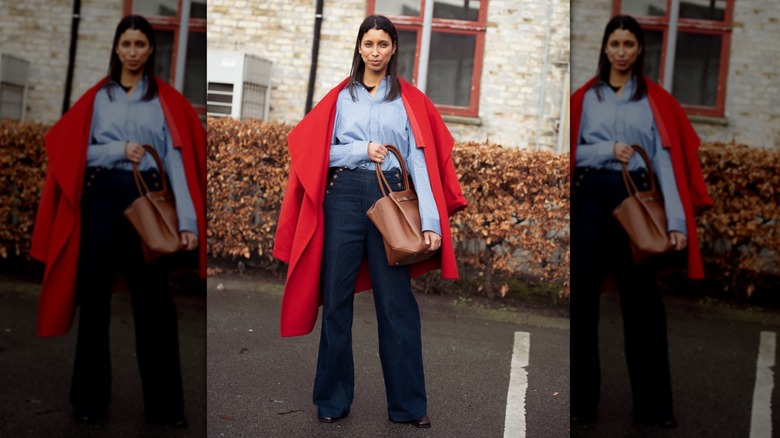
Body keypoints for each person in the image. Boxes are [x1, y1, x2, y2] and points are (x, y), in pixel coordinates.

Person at [273, 15, 467, 428]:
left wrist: (431, 222)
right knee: (336, 304)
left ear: (394, 48)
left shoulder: (409, 100)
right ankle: (331, 400)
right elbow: (315, 155)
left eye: (383, 44)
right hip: (342, 199)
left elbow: (420, 162)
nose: (375, 51)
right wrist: (361, 148)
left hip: (392, 200)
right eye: (368, 44)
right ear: (359, 48)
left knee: (396, 305)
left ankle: (409, 406)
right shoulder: (340, 97)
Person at [30, 15, 207, 427]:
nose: (132, 51)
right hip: (101, 202)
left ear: (150, 50)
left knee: (155, 305)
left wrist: (188, 223)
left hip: (148, 200)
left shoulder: (164, 101)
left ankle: (165, 408)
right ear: (116, 48)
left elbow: (177, 161)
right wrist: (116, 150)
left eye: (140, 44)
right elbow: (71, 155)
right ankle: (89, 401)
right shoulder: (97, 99)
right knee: (93, 302)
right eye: (126, 44)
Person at [569, 15, 712, 428]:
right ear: (605, 47)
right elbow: (571, 153)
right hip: (591, 201)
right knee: (581, 305)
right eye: (615, 43)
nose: (621, 51)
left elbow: (665, 160)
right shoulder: (585, 98)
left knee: (643, 306)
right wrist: (605, 150)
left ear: (639, 50)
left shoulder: (654, 101)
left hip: (640, 203)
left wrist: (679, 225)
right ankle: (580, 403)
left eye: (629, 44)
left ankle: (654, 409)